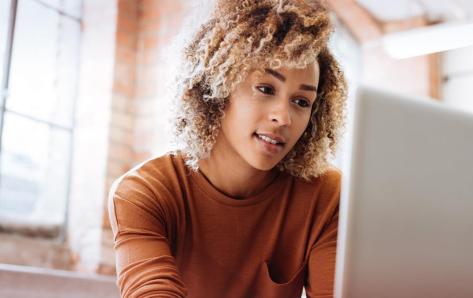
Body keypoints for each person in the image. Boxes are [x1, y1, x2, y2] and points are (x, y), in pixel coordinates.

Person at [107, 0, 347, 297]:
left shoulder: (325, 195)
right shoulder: (145, 193)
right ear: (217, 87)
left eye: (301, 102)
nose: (283, 118)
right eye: (266, 89)